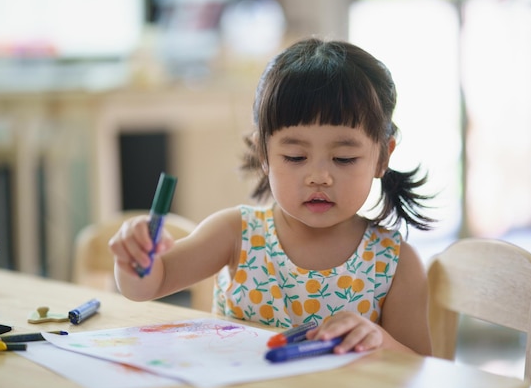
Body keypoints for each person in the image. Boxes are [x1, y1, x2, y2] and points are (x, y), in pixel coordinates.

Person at [110, 38, 435, 356]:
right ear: (263, 154)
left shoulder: (393, 262)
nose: (318, 176)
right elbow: (150, 284)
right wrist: (135, 258)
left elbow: (421, 368)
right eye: (295, 157)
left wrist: (379, 339)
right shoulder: (236, 232)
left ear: (382, 157)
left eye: (344, 159)